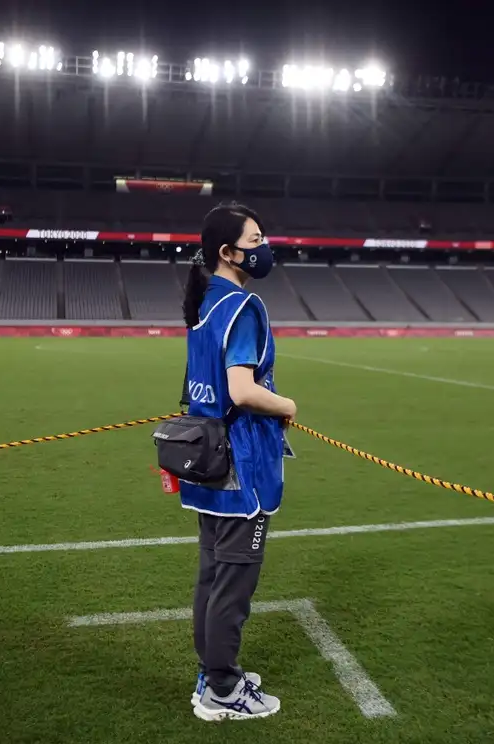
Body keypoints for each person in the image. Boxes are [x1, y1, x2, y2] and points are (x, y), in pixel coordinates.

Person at [179, 202, 297, 722]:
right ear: (227, 253)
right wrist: (288, 406)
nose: (263, 246)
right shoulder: (243, 307)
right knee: (233, 584)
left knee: (212, 576)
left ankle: (213, 674)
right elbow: (242, 390)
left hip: (204, 462)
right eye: (254, 240)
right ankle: (223, 690)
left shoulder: (206, 303)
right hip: (239, 466)